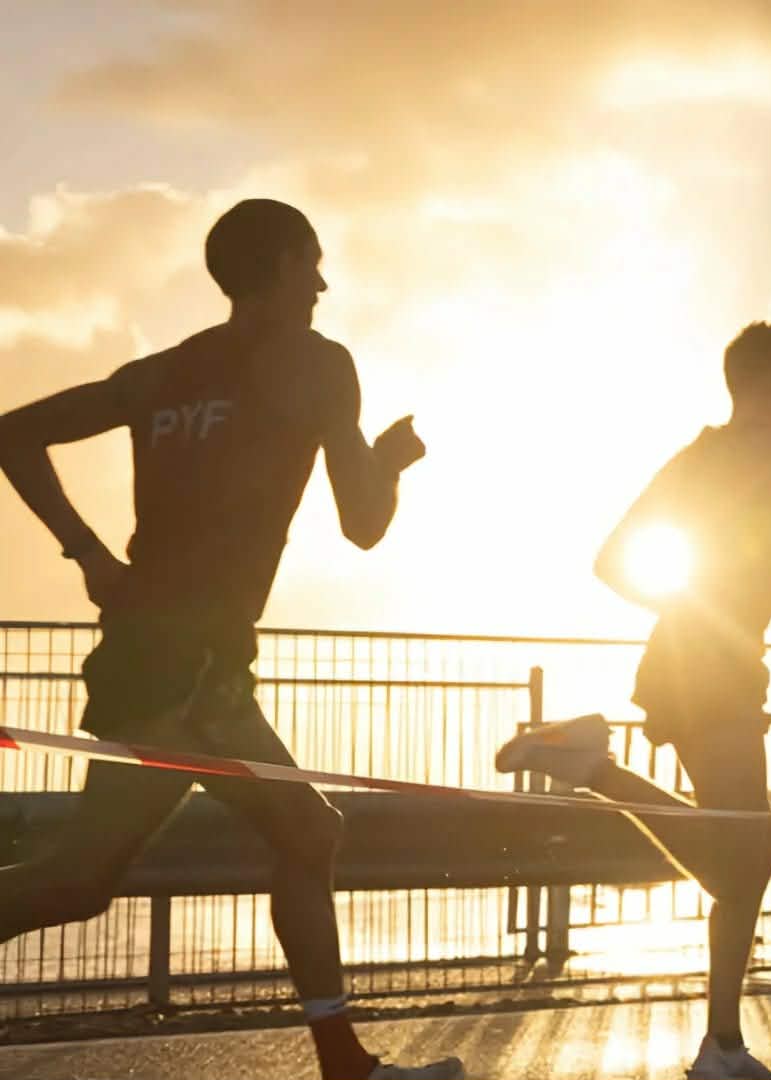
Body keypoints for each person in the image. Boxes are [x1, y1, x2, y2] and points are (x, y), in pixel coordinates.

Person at [0, 199, 460, 1080]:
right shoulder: (321, 366)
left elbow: (13, 434)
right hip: (198, 668)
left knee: (83, 879)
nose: (324, 284)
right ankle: (344, 1066)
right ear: (283, 265)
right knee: (303, 834)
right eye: (314, 263)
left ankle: (344, 1061)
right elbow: (363, 524)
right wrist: (394, 465)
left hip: (144, 654)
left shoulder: (160, 374)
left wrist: (90, 555)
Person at [495, 322, 771, 1080]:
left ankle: (722, 1044)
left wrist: (690, 606)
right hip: (715, 673)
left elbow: (612, 560)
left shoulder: (695, 456)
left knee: (744, 855)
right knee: (746, 857)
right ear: (768, 386)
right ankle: (591, 768)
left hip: (684, 666)